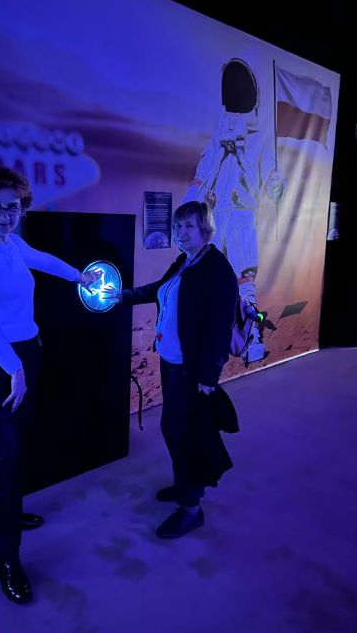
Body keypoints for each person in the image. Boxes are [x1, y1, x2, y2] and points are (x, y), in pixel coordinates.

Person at [0, 166, 101, 604]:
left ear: (21, 208)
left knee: (14, 450)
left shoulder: (13, 244)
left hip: (24, 356)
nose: (5, 215)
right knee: (7, 457)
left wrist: (80, 277)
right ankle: (6, 560)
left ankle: (0, 515)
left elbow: (45, 261)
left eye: (13, 207)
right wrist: (15, 369)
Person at [102, 201, 238, 538]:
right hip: (170, 360)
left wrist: (208, 376)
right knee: (175, 428)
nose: (181, 233)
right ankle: (184, 486)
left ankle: (191, 508)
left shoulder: (217, 270)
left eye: (189, 226)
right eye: (177, 226)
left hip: (191, 369)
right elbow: (159, 289)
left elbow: (219, 328)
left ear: (205, 228)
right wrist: (123, 296)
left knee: (183, 431)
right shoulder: (185, 261)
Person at [183, 58, 285, 363]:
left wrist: (275, 184)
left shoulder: (261, 141)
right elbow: (201, 176)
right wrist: (190, 201)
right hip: (215, 219)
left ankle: (252, 337)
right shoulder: (218, 137)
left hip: (241, 217)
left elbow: (270, 180)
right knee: (211, 279)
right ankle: (214, 336)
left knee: (244, 280)